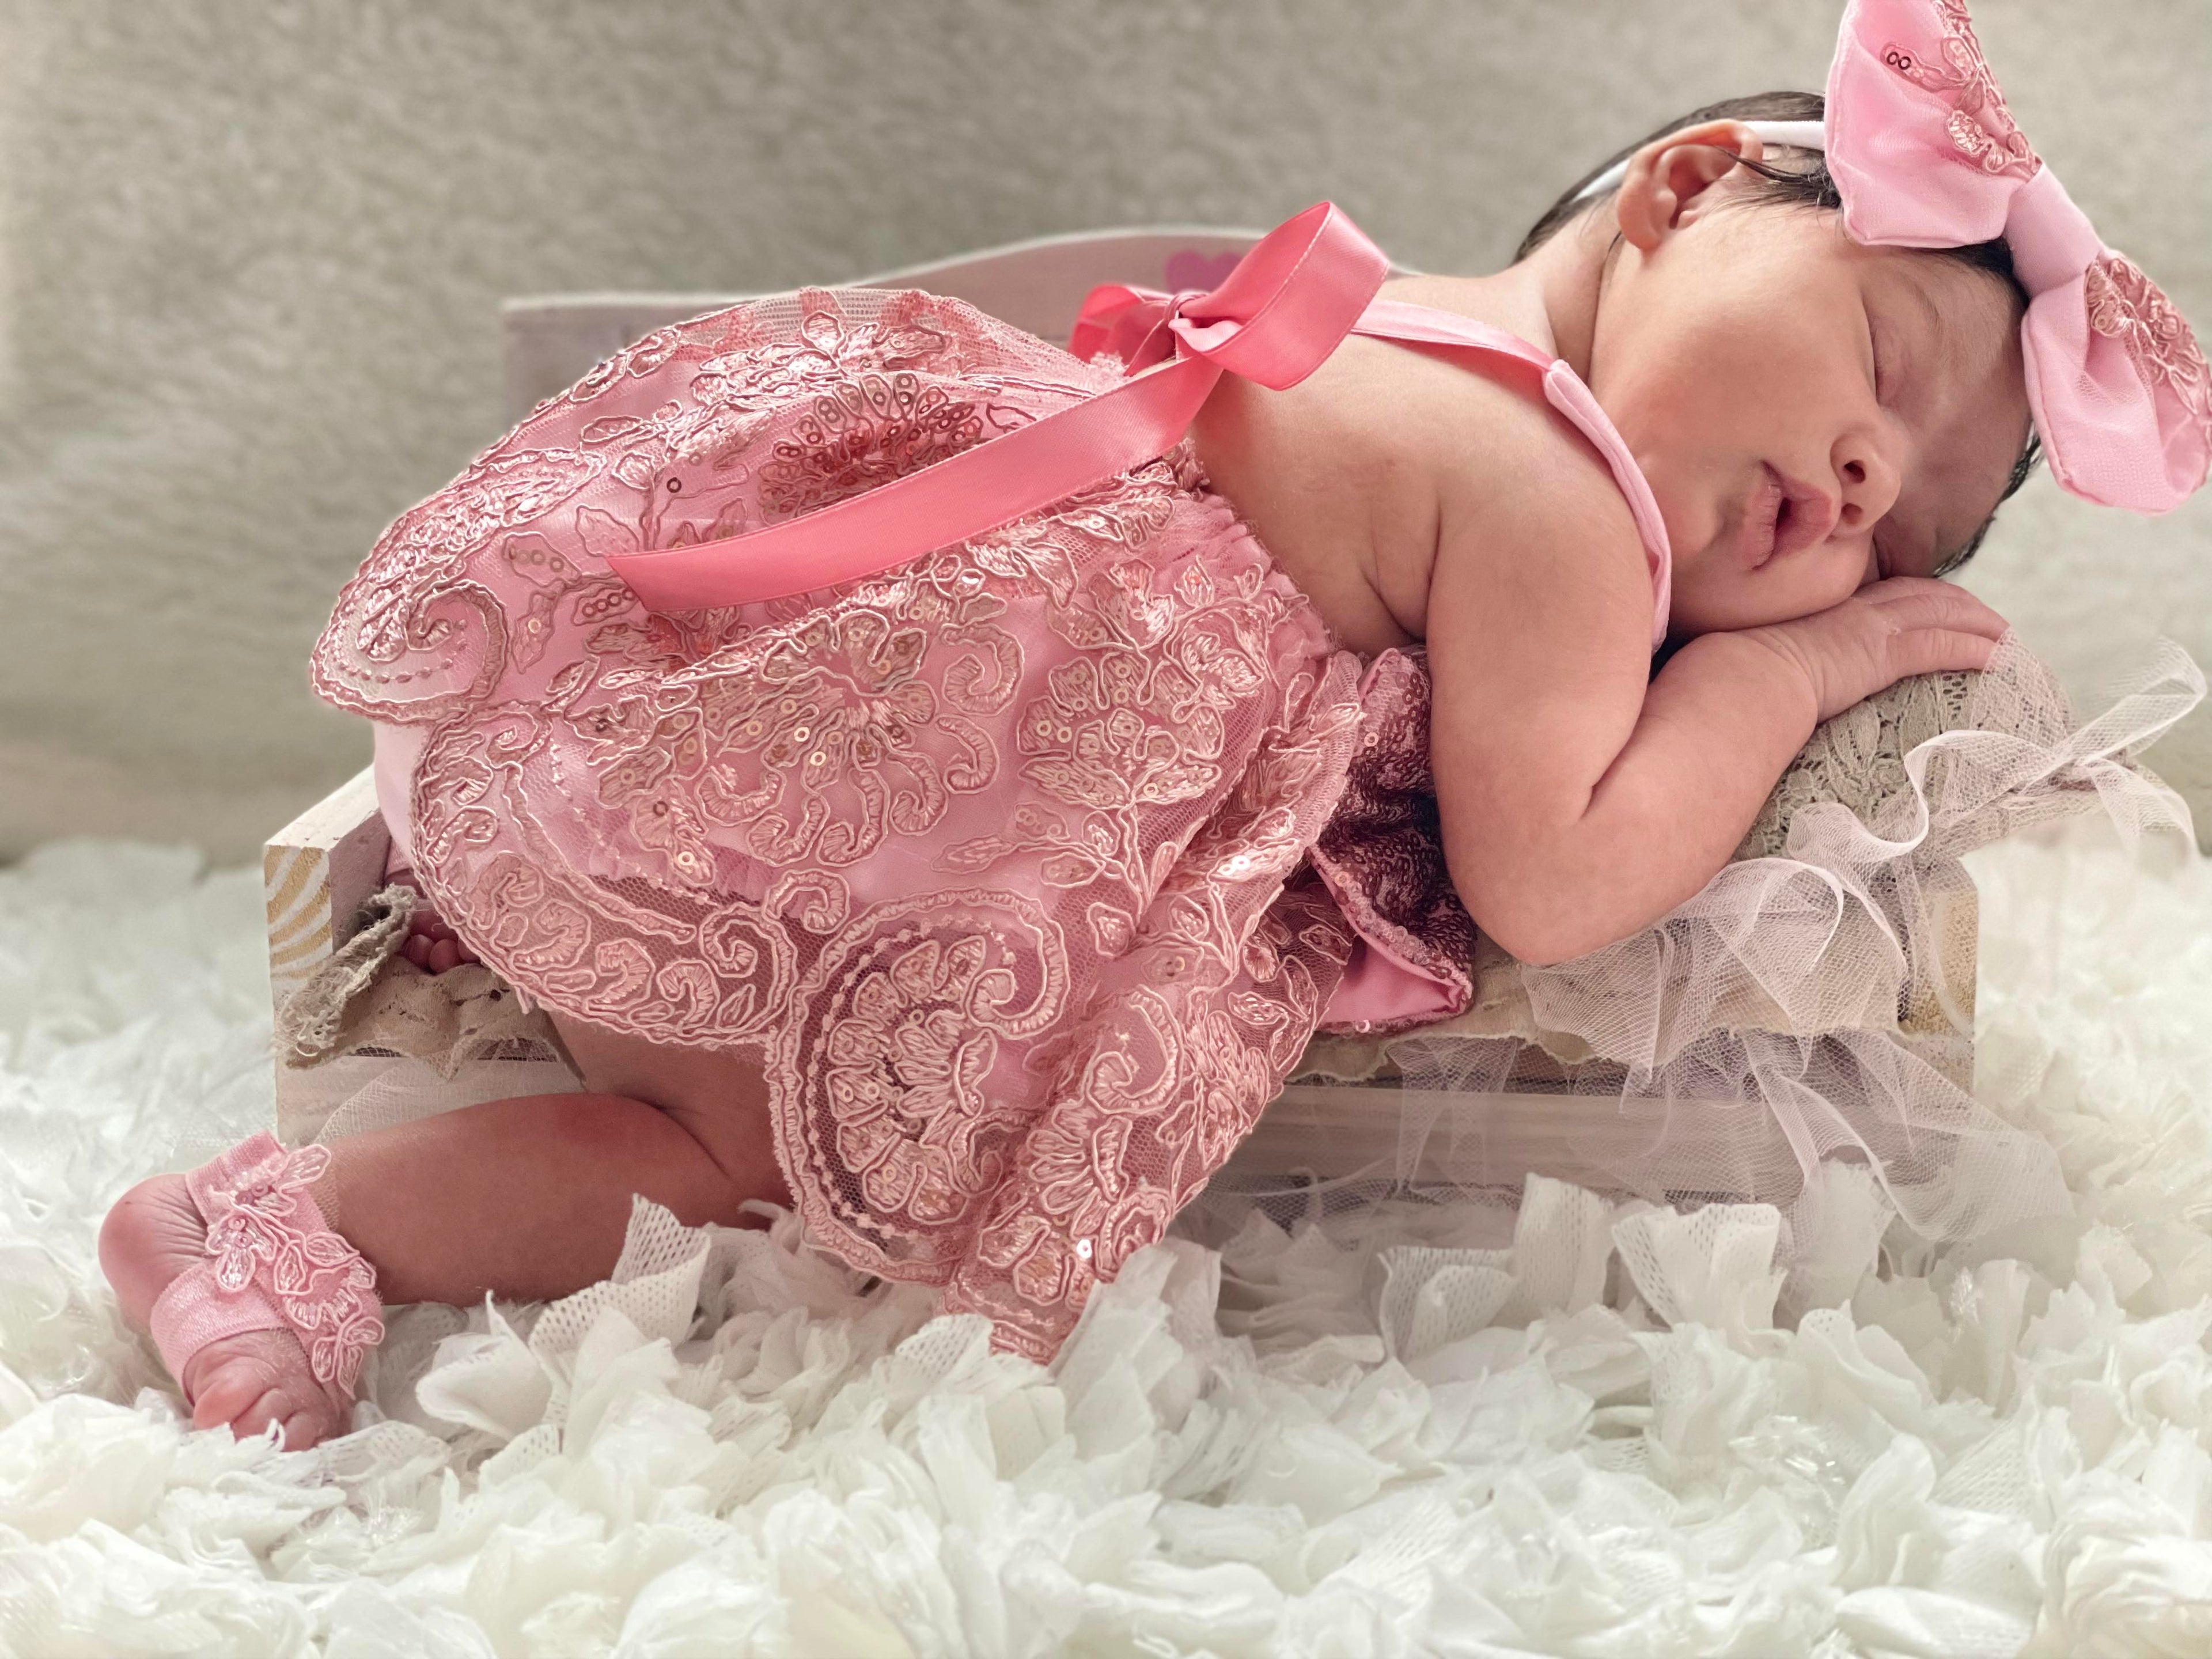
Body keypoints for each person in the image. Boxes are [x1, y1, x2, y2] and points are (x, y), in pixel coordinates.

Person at [100, 0, 2210, 1452]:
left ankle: (361, 1136)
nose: (1863, 480)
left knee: (727, 1084)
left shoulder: (1394, 308)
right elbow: (1556, 881)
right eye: (1878, 365)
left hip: (759, 715)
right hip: (902, 797)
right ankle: (283, 1224)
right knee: (749, 1163)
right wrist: (1785, 674)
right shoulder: (1560, 511)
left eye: (1902, 531)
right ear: (1677, 194)